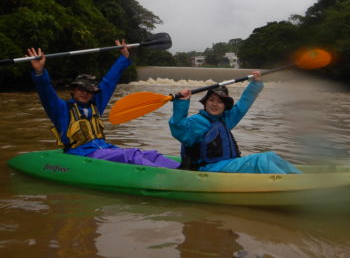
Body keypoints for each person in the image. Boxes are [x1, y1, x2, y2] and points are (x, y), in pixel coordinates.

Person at [27, 40, 179, 169]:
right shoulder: (61, 109)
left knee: (149, 154)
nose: (85, 93)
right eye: (81, 89)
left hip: (104, 149)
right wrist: (40, 72)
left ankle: (183, 169)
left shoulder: (95, 105)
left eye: (89, 90)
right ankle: (169, 176)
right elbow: (46, 93)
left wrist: (123, 58)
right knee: (130, 155)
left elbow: (109, 81)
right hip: (82, 154)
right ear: (73, 91)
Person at [169, 72, 302, 174]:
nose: (215, 104)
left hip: (226, 164)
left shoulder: (225, 119)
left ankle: (299, 178)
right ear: (205, 102)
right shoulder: (197, 122)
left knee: (270, 156)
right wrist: (182, 102)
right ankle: (294, 185)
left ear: (225, 106)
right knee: (261, 160)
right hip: (208, 169)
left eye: (220, 101)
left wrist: (255, 83)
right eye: (211, 100)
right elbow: (179, 128)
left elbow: (243, 104)